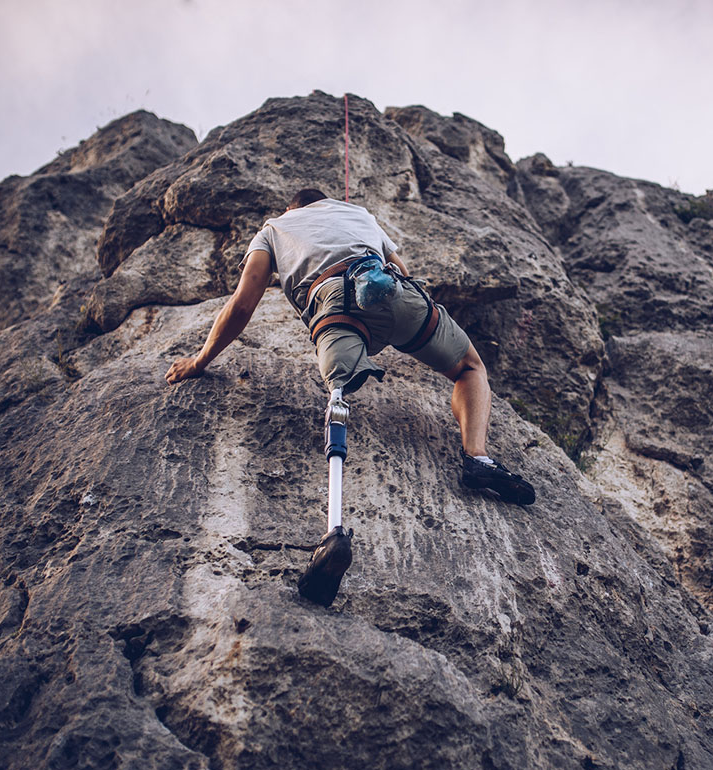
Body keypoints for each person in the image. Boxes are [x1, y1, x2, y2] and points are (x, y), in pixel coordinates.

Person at [165, 189, 535, 602]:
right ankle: (477, 457)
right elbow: (402, 268)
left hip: (334, 303)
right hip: (390, 292)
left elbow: (242, 304)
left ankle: (334, 536)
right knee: (470, 367)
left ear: (293, 207)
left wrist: (200, 361)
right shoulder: (359, 214)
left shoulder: (274, 228)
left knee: (338, 397)